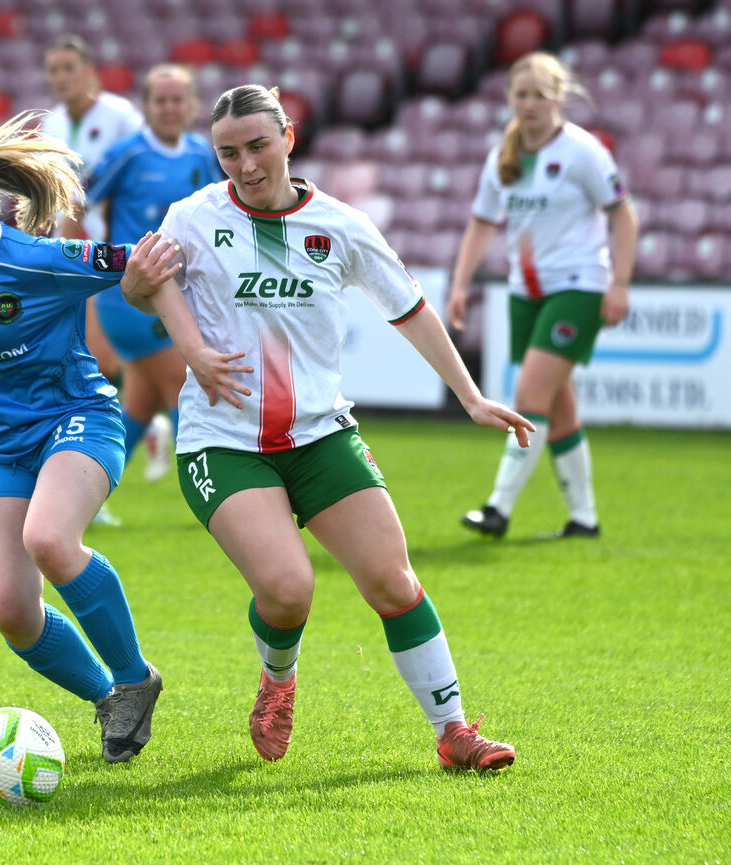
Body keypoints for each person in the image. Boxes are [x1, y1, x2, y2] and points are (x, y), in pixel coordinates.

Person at [120, 84, 530, 771]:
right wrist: (141, 292)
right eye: (228, 153)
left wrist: (470, 396)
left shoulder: (341, 224)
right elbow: (141, 287)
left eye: (257, 145)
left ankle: (454, 730)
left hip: (320, 435)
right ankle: (278, 681)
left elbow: (412, 309)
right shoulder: (192, 217)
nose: (246, 165)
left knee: (394, 582)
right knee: (287, 589)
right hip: (221, 441)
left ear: (288, 135)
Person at [0, 112, 162, 763]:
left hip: (78, 417)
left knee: (48, 537)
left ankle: (134, 676)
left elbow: (142, 263)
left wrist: (173, 318)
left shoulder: (39, 258)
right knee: (12, 610)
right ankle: (110, 699)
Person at [446, 51, 638, 540]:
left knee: (530, 396)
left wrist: (619, 283)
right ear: (509, 99)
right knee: (559, 406)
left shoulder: (583, 151)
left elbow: (623, 213)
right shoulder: (503, 157)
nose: (528, 104)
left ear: (558, 98)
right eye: (520, 94)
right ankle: (584, 520)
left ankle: (497, 509)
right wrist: (461, 284)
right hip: (524, 293)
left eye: (538, 94)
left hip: (577, 287)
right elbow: (481, 224)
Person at [82, 64, 223, 482]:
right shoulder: (128, 152)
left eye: (177, 99)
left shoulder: (201, 153)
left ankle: (80, 490)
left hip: (180, 292)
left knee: (140, 406)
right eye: (160, 100)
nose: (168, 108)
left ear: (192, 105)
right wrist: (79, 261)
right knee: (187, 385)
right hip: (131, 293)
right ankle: (211, 490)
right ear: (146, 106)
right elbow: (76, 198)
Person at [41, 34, 143, 403]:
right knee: (84, 351)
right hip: (64, 248)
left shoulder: (121, 117)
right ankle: (138, 422)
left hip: (110, 247)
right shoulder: (49, 124)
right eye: (53, 70)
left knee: (104, 355)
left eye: (69, 68)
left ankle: (131, 421)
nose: (61, 77)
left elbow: (138, 175)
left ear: (89, 72)